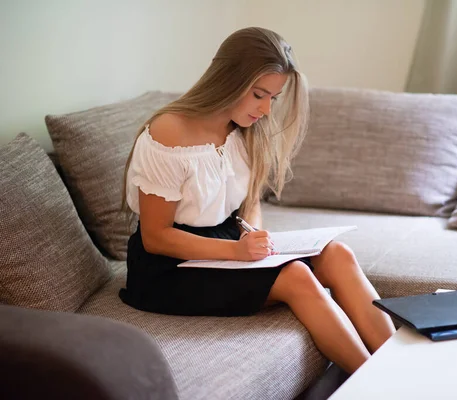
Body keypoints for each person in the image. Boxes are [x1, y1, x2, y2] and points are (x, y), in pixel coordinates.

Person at [119, 27, 395, 374]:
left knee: (338, 254)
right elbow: (155, 237)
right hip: (168, 267)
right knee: (297, 277)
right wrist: (236, 252)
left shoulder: (244, 130)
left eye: (273, 98)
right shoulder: (169, 131)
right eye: (258, 95)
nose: (265, 109)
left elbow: (248, 204)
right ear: (228, 79)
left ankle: (398, 371)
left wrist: (252, 238)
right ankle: (377, 386)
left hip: (225, 244)